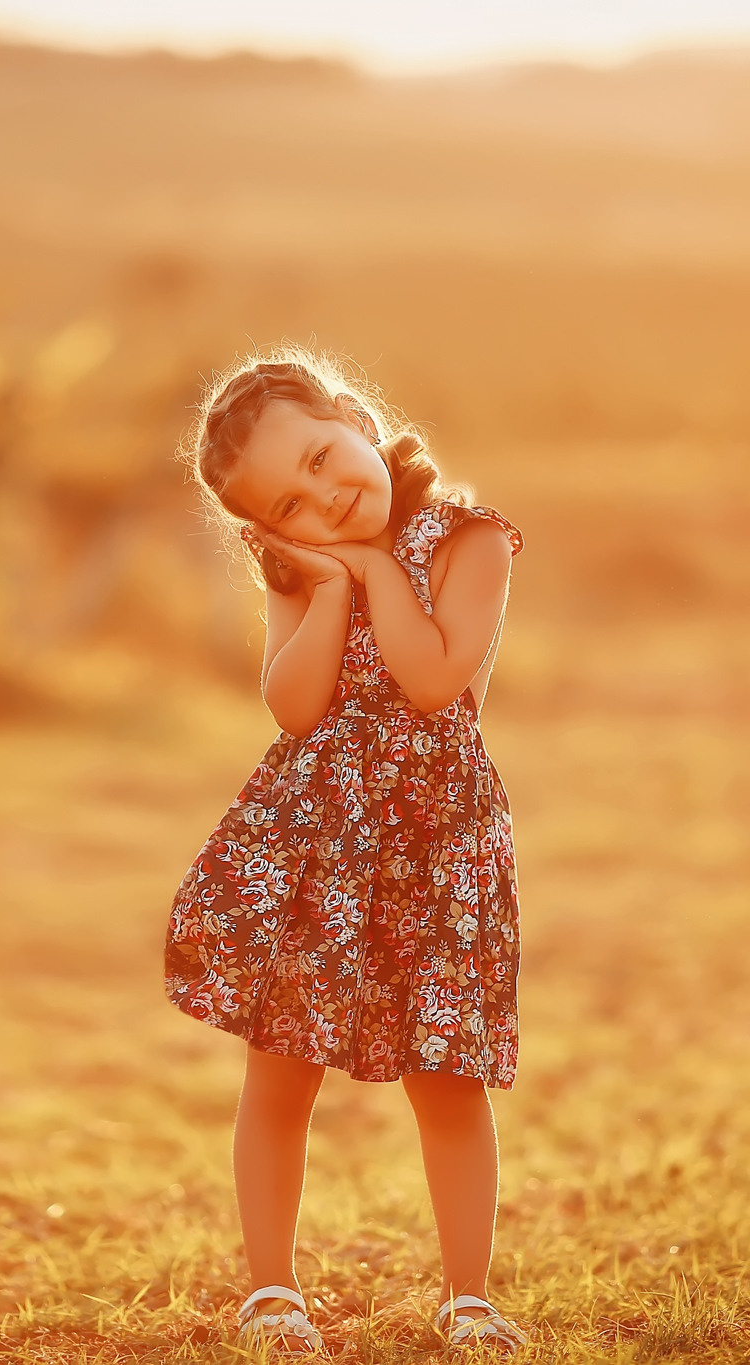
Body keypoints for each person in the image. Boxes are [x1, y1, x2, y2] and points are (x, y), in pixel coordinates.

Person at [166, 348, 528, 1355]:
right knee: (279, 1070)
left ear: (354, 416)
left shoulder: (469, 539)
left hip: (435, 843)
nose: (326, 497)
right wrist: (322, 593)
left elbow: (429, 680)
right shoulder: (298, 569)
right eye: (291, 503)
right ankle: (272, 1292)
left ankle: (466, 1297)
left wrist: (368, 569)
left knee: (444, 1075)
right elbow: (291, 706)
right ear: (266, 530)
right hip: (317, 846)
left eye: (325, 459)